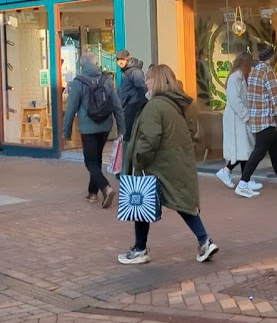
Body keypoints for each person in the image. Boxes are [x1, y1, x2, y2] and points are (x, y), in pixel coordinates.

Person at [117, 64, 218, 265]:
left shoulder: (155, 106)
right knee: (182, 203)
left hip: (157, 165)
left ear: (158, 81)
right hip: (176, 162)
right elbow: (189, 133)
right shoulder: (178, 105)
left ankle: (139, 249)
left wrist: (139, 159)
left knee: (141, 203)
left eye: (148, 78)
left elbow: (150, 137)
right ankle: (204, 240)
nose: (145, 82)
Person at [64, 52, 124, 208]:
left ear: (82, 65)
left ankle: (106, 187)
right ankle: (92, 193)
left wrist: (66, 131)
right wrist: (121, 128)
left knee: (90, 162)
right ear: (96, 63)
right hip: (105, 126)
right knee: (96, 158)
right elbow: (117, 106)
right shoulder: (107, 80)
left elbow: (71, 108)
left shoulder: (78, 82)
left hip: (87, 127)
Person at [235, 43, 277, 198]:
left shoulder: (254, 71)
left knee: (274, 151)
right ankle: (243, 183)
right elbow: (275, 97)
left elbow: (250, 97)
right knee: (259, 152)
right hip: (266, 119)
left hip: (257, 119)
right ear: (271, 56)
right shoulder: (268, 72)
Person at [217, 52, 258, 190]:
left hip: (239, 118)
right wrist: (246, 115)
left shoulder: (241, 78)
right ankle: (227, 171)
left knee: (244, 149)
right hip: (236, 118)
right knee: (242, 148)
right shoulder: (235, 78)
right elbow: (235, 100)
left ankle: (245, 178)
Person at [116, 49, 147, 140]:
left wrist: (140, 107)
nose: (120, 62)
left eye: (122, 59)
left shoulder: (135, 72)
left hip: (131, 109)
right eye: (118, 59)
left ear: (128, 58)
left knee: (128, 137)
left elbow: (142, 89)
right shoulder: (126, 72)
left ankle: (128, 154)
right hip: (127, 108)